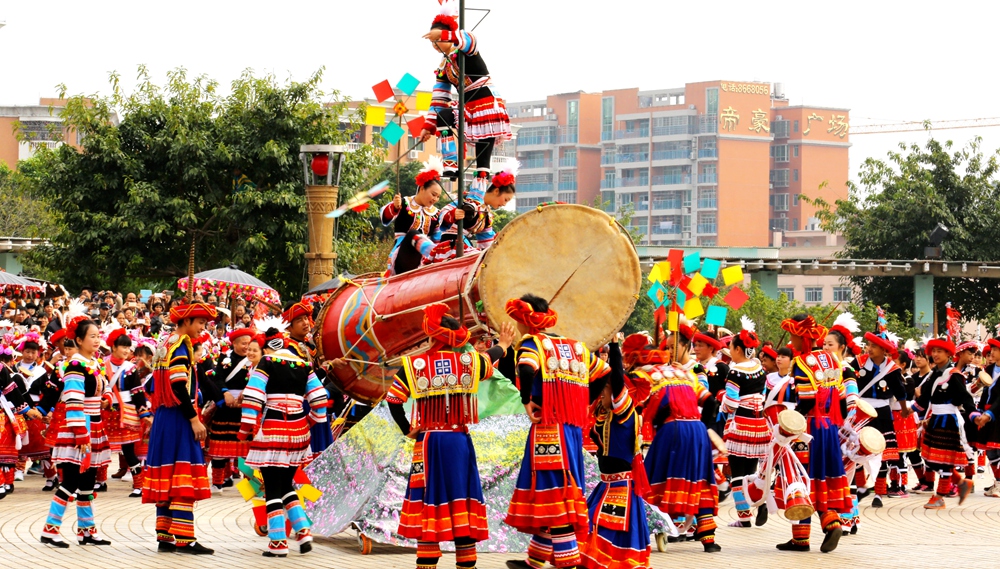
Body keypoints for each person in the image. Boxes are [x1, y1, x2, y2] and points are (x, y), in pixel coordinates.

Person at [504, 294, 609, 569]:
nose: (516, 327)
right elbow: (605, 371)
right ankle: (536, 559)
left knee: (554, 492)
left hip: (549, 428)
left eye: (517, 321)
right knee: (555, 490)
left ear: (525, 321)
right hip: (572, 430)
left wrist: (527, 401)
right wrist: (586, 402)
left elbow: (527, 369)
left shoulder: (531, 343)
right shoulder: (577, 347)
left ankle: (568, 562)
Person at [385, 304, 492, 569]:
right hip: (458, 441)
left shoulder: (414, 366)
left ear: (433, 336)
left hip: (429, 441)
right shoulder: (470, 363)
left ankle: (427, 563)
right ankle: (466, 564)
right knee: (462, 499)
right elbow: (492, 361)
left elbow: (393, 400)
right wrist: (504, 344)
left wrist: (407, 428)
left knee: (427, 499)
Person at [239, 324, 327, 557]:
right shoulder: (304, 365)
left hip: (273, 429)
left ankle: (278, 543)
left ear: (268, 347)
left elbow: (253, 396)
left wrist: (247, 428)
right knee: (286, 483)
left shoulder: (266, 363)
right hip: (299, 431)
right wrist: (311, 420)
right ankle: (304, 531)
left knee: (272, 487)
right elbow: (319, 399)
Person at [776, 314, 854, 553]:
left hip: (808, 429)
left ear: (801, 337)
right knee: (820, 477)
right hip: (829, 428)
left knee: (801, 478)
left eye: (792, 337)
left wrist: (790, 424)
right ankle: (831, 523)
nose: (791, 342)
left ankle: (802, 538)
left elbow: (807, 401)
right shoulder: (831, 359)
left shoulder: (801, 362)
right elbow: (841, 400)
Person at [143, 302, 216, 555]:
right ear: (187, 322)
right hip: (178, 417)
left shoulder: (166, 343)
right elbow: (177, 385)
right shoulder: (182, 345)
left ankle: (165, 535)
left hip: (163, 416)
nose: (201, 329)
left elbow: (153, 385)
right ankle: (185, 538)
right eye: (200, 323)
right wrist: (194, 418)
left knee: (167, 474)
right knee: (182, 473)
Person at [641, 323, 721, 553]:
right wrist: (703, 428)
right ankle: (708, 538)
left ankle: (653, 528)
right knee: (700, 478)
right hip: (696, 429)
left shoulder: (645, 376)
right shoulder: (686, 374)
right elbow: (712, 402)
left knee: (653, 476)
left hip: (672, 430)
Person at [41, 311, 112, 547]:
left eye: (98, 335)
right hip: (77, 429)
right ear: (79, 340)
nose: (96, 340)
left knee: (87, 483)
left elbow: (102, 389)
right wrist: (81, 432)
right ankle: (50, 531)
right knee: (70, 481)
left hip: (94, 425)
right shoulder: (75, 365)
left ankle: (86, 531)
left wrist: (107, 398)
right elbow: (72, 400)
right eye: (91, 336)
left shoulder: (95, 363)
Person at [419, 0, 511, 180]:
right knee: (443, 115)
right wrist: (428, 127)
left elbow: (470, 39)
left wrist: (445, 34)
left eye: (437, 40)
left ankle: (479, 187)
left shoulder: (466, 49)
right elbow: (439, 100)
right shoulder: (443, 67)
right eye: (432, 42)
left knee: (483, 156)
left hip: (485, 103)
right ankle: (451, 164)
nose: (434, 44)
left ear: (447, 36)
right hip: (467, 106)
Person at [580, 340, 652, 569]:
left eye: (606, 388)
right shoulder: (604, 414)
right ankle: (592, 561)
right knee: (591, 521)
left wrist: (614, 347)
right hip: (605, 484)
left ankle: (608, 562)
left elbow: (618, 379)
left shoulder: (624, 410)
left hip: (621, 485)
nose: (601, 392)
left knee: (608, 525)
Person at [910, 337, 975, 509]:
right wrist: (908, 410)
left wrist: (974, 415)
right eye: (934, 351)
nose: (935, 354)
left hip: (948, 420)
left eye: (940, 351)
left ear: (948, 353)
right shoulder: (934, 374)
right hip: (935, 420)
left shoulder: (954, 376)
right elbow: (924, 399)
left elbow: (966, 398)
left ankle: (939, 497)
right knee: (930, 460)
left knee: (945, 461)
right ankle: (961, 482)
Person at [721, 317, 768, 528]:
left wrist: (723, 404)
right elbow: (764, 394)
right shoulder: (759, 369)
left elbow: (731, 403)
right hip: (759, 425)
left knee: (737, 473)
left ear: (739, 349)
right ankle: (761, 503)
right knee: (752, 471)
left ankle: (743, 516)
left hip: (740, 424)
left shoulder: (735, 371)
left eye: (730, 346)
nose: (729, 350)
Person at [855, 331, 909, 508]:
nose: (869, 349)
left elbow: (900, 391)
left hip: (882, 413)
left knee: (882, 453)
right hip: (861, 411)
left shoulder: (892, 369)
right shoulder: (859, 362)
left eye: (874, 346)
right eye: (868, 345)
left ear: (884, 350)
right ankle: (860, 487)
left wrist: (903, 409)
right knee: (856, 450)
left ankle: (879, 492)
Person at [430, 162, 518, 264]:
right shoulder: (468, 199)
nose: (504, 204)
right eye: (506, 199)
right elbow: (443, 212)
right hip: (450, 244)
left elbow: (487, 242)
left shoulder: (487, 216)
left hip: (466, 245)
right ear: (496, 191)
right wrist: (453, 214)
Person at [104, 329, 152, 498]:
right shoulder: (102, 365)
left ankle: (139, 484)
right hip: (105, 411)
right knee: (99, 447)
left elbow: (138, 393)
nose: (126, 351)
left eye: (128, 347)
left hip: (126, 412)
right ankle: (98, 480)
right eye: (122, 347)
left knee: (128, 450)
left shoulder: (130, 368)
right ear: (113, 347)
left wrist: (144, 414)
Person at [380, 157, 447, 276]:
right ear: (422, 189)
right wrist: (395, 207)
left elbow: (437, 238)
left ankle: (438, 257)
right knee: (413, 234)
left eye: (438, 197)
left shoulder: (436, 214)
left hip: (422, 260)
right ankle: (436, 255)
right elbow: (384, 217)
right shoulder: (404, 203)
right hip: (402, 256)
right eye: (433, 194)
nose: (435, 199)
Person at [207, 327, 255, 492]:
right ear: (234, 343)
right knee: (220, 446)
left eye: (249, 344)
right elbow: (217, 377)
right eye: (243, 343)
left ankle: (250, 486)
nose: (246, 347)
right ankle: (217, 483)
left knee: (247, 449)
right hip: (226, 406)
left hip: (245, 407)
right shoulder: (224, 358)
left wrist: (247, 393)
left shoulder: (254, 361)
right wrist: (225, 393)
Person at [975, 337, 1000, 497]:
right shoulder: (988, 371)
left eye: (995, 349)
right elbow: (984, 392)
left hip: (998, 414)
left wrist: (990, 414)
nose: (992, 352)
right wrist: (978, 411)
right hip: (987, 413)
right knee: (991, 451)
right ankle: (998, 483)